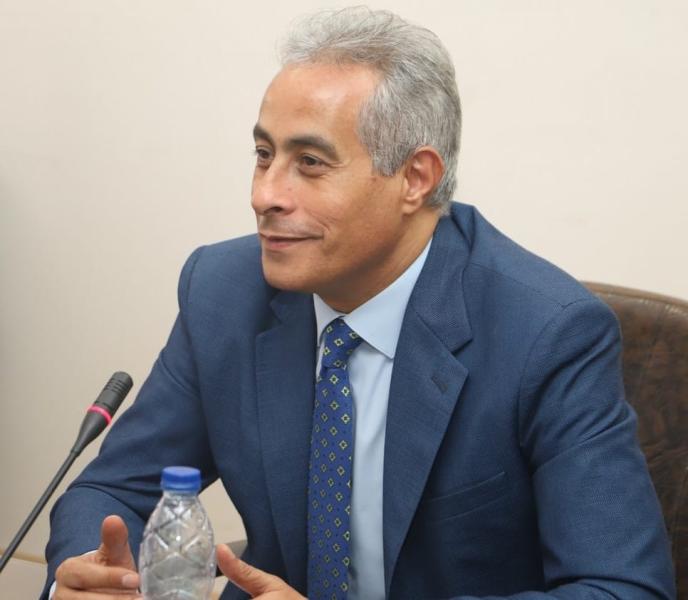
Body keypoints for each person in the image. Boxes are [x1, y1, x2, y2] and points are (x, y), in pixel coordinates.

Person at [43, 7, 675, 600]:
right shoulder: (223, 291)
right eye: (263, 155)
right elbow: (111, 491)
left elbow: (621, 588)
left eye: (310, 162)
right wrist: (97, 575)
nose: (264, 195)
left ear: (415, 178)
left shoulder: (547, 334)